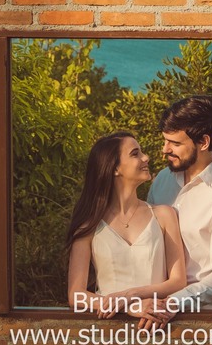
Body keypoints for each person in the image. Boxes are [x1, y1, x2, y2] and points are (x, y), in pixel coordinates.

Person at [141, 94, 212, 325]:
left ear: (204, 142)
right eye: (165, 140)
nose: (165, 149)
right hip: (153, 314)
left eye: (175, 143)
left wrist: (176, 302)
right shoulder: (162, 179)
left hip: (205, 322)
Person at [66, 131, 187, 318]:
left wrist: (131, 295)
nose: (145, 157)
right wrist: (130, 307)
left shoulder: (164, 215)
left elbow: (178, 281)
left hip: (158, 327)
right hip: (110, 334)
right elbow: (76, 296)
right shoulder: (88, 224)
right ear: (114, 168)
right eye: (135, 153)